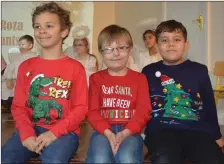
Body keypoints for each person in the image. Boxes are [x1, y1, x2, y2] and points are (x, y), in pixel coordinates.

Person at [1, 2, 88, 163]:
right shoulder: (25, 66)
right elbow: (18, 106)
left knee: (53, 160)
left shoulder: (76, 68)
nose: (42, 31)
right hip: (31, 129)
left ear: (64, 31)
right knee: (6, 156)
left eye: (49, 26)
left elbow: (81, 108)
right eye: (37, 26)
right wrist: (27, 135)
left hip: (64, 133)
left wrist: (54, 133)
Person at [142, 19, 224, 164]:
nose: (171, 44)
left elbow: (209, 105)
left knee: (215, 159)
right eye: (164, 40)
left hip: (197, 130)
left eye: (177, 39)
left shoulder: (199, 70)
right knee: (165, 159)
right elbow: (142, 105)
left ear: (186, 45)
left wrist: (217, 136)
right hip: (161, 130)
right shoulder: (148, 71)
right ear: (157, 45)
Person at [86, 24, 151, 163]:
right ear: (101, 53)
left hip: (131, 132)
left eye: (121, 48)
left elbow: (143, 111)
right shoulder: (96, 79)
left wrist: (125, 132)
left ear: (130, 50)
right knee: (100, 159)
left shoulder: (140, 79)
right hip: (102, 131)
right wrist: (108, 133)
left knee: (127, 158)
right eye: (109, 49)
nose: (116, 54)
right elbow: (92, 111)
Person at [1, 35, 36, 109]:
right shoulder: (17, 57)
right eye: (19, 45)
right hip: (15, 80)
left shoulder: (34, 57)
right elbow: (10, 68)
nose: (20, 47)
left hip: (27, 81)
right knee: (4, 86)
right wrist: (9, 79)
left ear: (30, 45)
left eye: (23, 44)